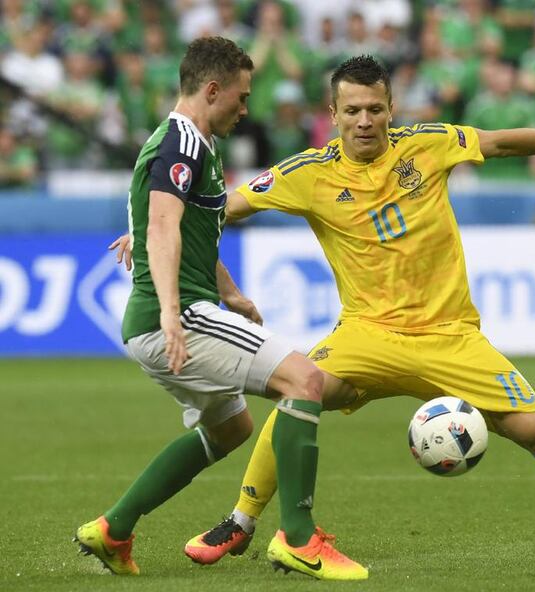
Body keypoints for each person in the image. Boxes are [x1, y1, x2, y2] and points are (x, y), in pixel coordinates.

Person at [116, 55, 535, 571]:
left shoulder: (428, 144)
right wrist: (146, 228)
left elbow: (502, 142)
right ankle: (240, 522)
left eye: (376, 109)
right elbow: (217, 209)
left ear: (392, 110)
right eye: (353, 110)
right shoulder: (305, 174)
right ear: (332, 114)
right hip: (368, 335)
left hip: (451, 336)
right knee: (299, 390)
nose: (365, 121)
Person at [74, 37, 366, 581]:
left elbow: (180, 227)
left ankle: (114, 529)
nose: (245, 108)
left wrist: (229, 292)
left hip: (172, 315)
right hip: (177, 318)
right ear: (212, 90)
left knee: (232, 429)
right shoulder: (181, 144)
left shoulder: (191, 145)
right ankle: (299, 539)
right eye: (241, 96)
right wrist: (169, 310)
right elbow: (163, 227)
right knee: (306, 383)